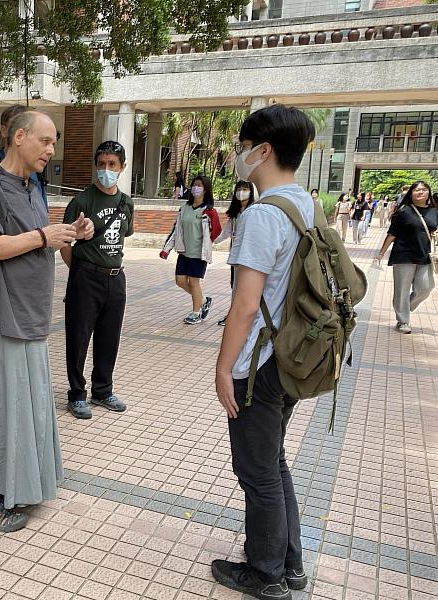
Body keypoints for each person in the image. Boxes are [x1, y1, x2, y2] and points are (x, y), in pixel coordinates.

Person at [0, 111, 94, 532]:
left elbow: (31, 242)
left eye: (54, 142)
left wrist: (69, 233)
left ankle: (12, 484)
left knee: (21, 408)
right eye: (45, 141)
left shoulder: (33, 187)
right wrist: (44, 236)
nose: (51, 149)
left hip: (31, 316)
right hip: (1, 315)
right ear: (18, 137)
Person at [213, 104, 315, 600]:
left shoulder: (261, 216)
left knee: (257, 473)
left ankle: (266, 574)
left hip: (260, 365)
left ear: (264, 151)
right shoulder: (307, 205)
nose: (239, 156)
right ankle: (290, 565)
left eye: (243, 147)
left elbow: (245, 306)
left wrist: (223, 369)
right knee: (274, 461)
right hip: (295, 356)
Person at [61, 141, 134, 420]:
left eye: (112, 164)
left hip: (115, 278)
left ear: (122, 167)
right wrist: (81, 271)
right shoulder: (82, 202)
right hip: (86, 277)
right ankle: (77, 394)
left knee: (109, 337)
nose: (106, 169)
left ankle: (102, 390)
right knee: (78, 338)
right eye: (101, 164)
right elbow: (65, 242)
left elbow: (124, 234)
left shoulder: (126, 203)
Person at [374, 181, 437, 334]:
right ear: (411, 194)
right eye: (417, 190)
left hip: (424, 255)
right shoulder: (404, 211)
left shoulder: (434, 211)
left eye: (424, 189)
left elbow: (432, 229)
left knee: (426, 288)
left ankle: (404, 308)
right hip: (403, 254)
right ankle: (403, 321)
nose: (420, 192)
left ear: (428, 192)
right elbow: (392, 234)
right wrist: (380, 254)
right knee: (402, 290)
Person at [162, 174, 222, 324]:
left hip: (198, 253)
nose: (196, 188)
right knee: (180, 280)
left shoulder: (209, 211)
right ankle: (203, 300)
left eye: (200, 185)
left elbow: (216, 230)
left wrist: (206, 242)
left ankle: (196, 313)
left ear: (206, 189)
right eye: (194, 185)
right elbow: (176, 230)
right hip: (184, 251)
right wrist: (166, 249)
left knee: (194, 282)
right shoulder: (184, 208)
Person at [0, 104, 48, 207]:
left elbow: (42, 211)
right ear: (4, 131)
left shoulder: (35, 171)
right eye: (16, 128)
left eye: (28, 130)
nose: (21, 135)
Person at [215, 181, 255, 326]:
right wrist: (211, 241)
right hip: (236, 254)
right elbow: (226, 232)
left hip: (249, 254)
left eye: (245, 189)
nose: (241, 192)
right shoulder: (235, 213)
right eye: (239, 189)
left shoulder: (255, 211)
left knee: (246, 285)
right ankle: (233, 315)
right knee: (235, 285)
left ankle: (239, 315)